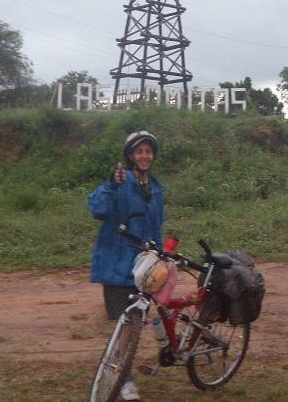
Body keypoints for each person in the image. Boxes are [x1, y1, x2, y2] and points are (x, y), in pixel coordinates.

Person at [88, 130, 164, 401]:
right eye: (139, 151)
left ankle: (123, 369)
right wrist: (111, 184)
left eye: (148, 151)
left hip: (144, 265)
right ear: (130, 156)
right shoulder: (120, 181)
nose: (144, 156)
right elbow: (97, 209)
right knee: (126, 321)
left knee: (136, 322)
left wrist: (161, 255)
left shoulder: (155, 188)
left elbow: (157, 225)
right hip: (117, 260)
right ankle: (125, 377)